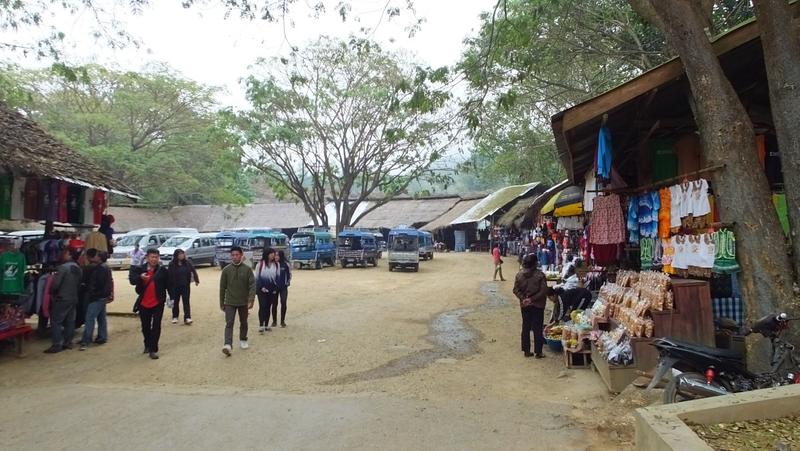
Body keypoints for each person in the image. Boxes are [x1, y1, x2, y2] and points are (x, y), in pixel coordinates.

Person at [129, 248, 169, 360]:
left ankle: (153, 349)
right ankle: (147, 343)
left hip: (158, 302)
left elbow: (169, 284)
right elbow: (132, 280)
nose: (154, 259)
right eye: (152, 257)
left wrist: (172, 298)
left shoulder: (162, 270)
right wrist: (140, 277)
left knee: (156, 326)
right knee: (145, 326)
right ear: (147, 257)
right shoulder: (140, 269)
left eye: (156, 257)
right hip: (144, 302)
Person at [44, 248, 83, 354]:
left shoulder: (63, 268)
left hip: (62, 297)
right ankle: (68, 342)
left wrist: (52, 292)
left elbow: (56, 284)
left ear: (69, 255)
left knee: (56, 321)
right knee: (70, 321)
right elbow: (79, 283)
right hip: (73, 297)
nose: (62, 255)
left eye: (65, 253)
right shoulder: (77, 268)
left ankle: (56, 344)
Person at [219, 246, 255, 356]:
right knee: (229, 323)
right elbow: (222, 287)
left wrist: (251, 299)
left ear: (241, 255)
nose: (235, 257)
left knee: (243, 322)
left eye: (237, 255)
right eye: (233, 255)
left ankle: (243, 339)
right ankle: (227, 344)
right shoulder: (226, 270)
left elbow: (252, 285)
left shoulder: (247, 269)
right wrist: (221, 302)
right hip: (229, 301)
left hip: (243, 302)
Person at [513, 253, 548, 358]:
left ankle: (526, 351)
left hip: (525, 305)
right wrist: (532, 299)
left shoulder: (519, 275)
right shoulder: (540, 275)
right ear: (535, 263)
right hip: (538, 305)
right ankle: (538, 352)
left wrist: (524, 299)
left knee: (526, 327)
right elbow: (543, 291)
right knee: (537, 328)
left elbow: (515, 290)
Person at [79, 249, 113, 350]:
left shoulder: (99, 269)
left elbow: (98, 284)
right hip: (102, 296)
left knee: (90, 318)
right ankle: (102, 337)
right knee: (101, 317)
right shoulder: (104, 267)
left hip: (97, 296)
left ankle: (86, 341)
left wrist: (93, 294)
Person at [167, 249, 199, 325]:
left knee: (186, 302)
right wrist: (168, 286)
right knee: (175, 302)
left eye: (182, 254)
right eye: (180, 254)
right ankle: (175, 316)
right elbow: (168, 275)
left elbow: (193, 270)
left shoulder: (187, 263)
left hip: (185, 286)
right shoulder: (171, 264)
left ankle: (187, 317)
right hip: (175, 286)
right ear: (176, 255)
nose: (181, 255)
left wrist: (196, 280)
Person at [255, 248, 279, 333]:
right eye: (271, 253)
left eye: (274, 254)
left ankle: (266, 324)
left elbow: (277, 277)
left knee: (269, 306)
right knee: (262, 306)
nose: (273, 255)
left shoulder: (276, 265)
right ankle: (261, 325)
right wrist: (261, 287)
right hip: (261, 289)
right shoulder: (260, 264)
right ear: (266, 254)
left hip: (272, 290)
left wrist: (276, 289)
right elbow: (257, 278)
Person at [274, 250, 292, 328]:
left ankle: (282, 321)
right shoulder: (272, 264)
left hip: (283, 287)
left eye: (277, 255)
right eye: (275, 255)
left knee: (283, 302)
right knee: (274, 304)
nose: (276, 257)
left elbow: (289, 274)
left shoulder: (285, 264)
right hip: (274, 288)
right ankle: (274, 321)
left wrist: (288, 282)